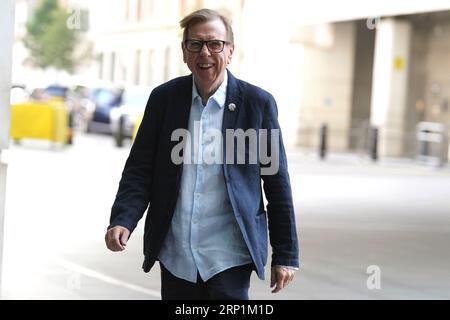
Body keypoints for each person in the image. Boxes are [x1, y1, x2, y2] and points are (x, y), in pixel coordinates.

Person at [105, 8, 299, 300]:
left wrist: (286, 253)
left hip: (229, 255)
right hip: (176, 253)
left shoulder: (257, 105)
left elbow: (276, 182)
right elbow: (140, 169)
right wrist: (123, 218)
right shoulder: (164, 100)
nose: (205, 52)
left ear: (230, 51)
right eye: (195, 44)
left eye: (214, 44)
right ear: (184, 52)